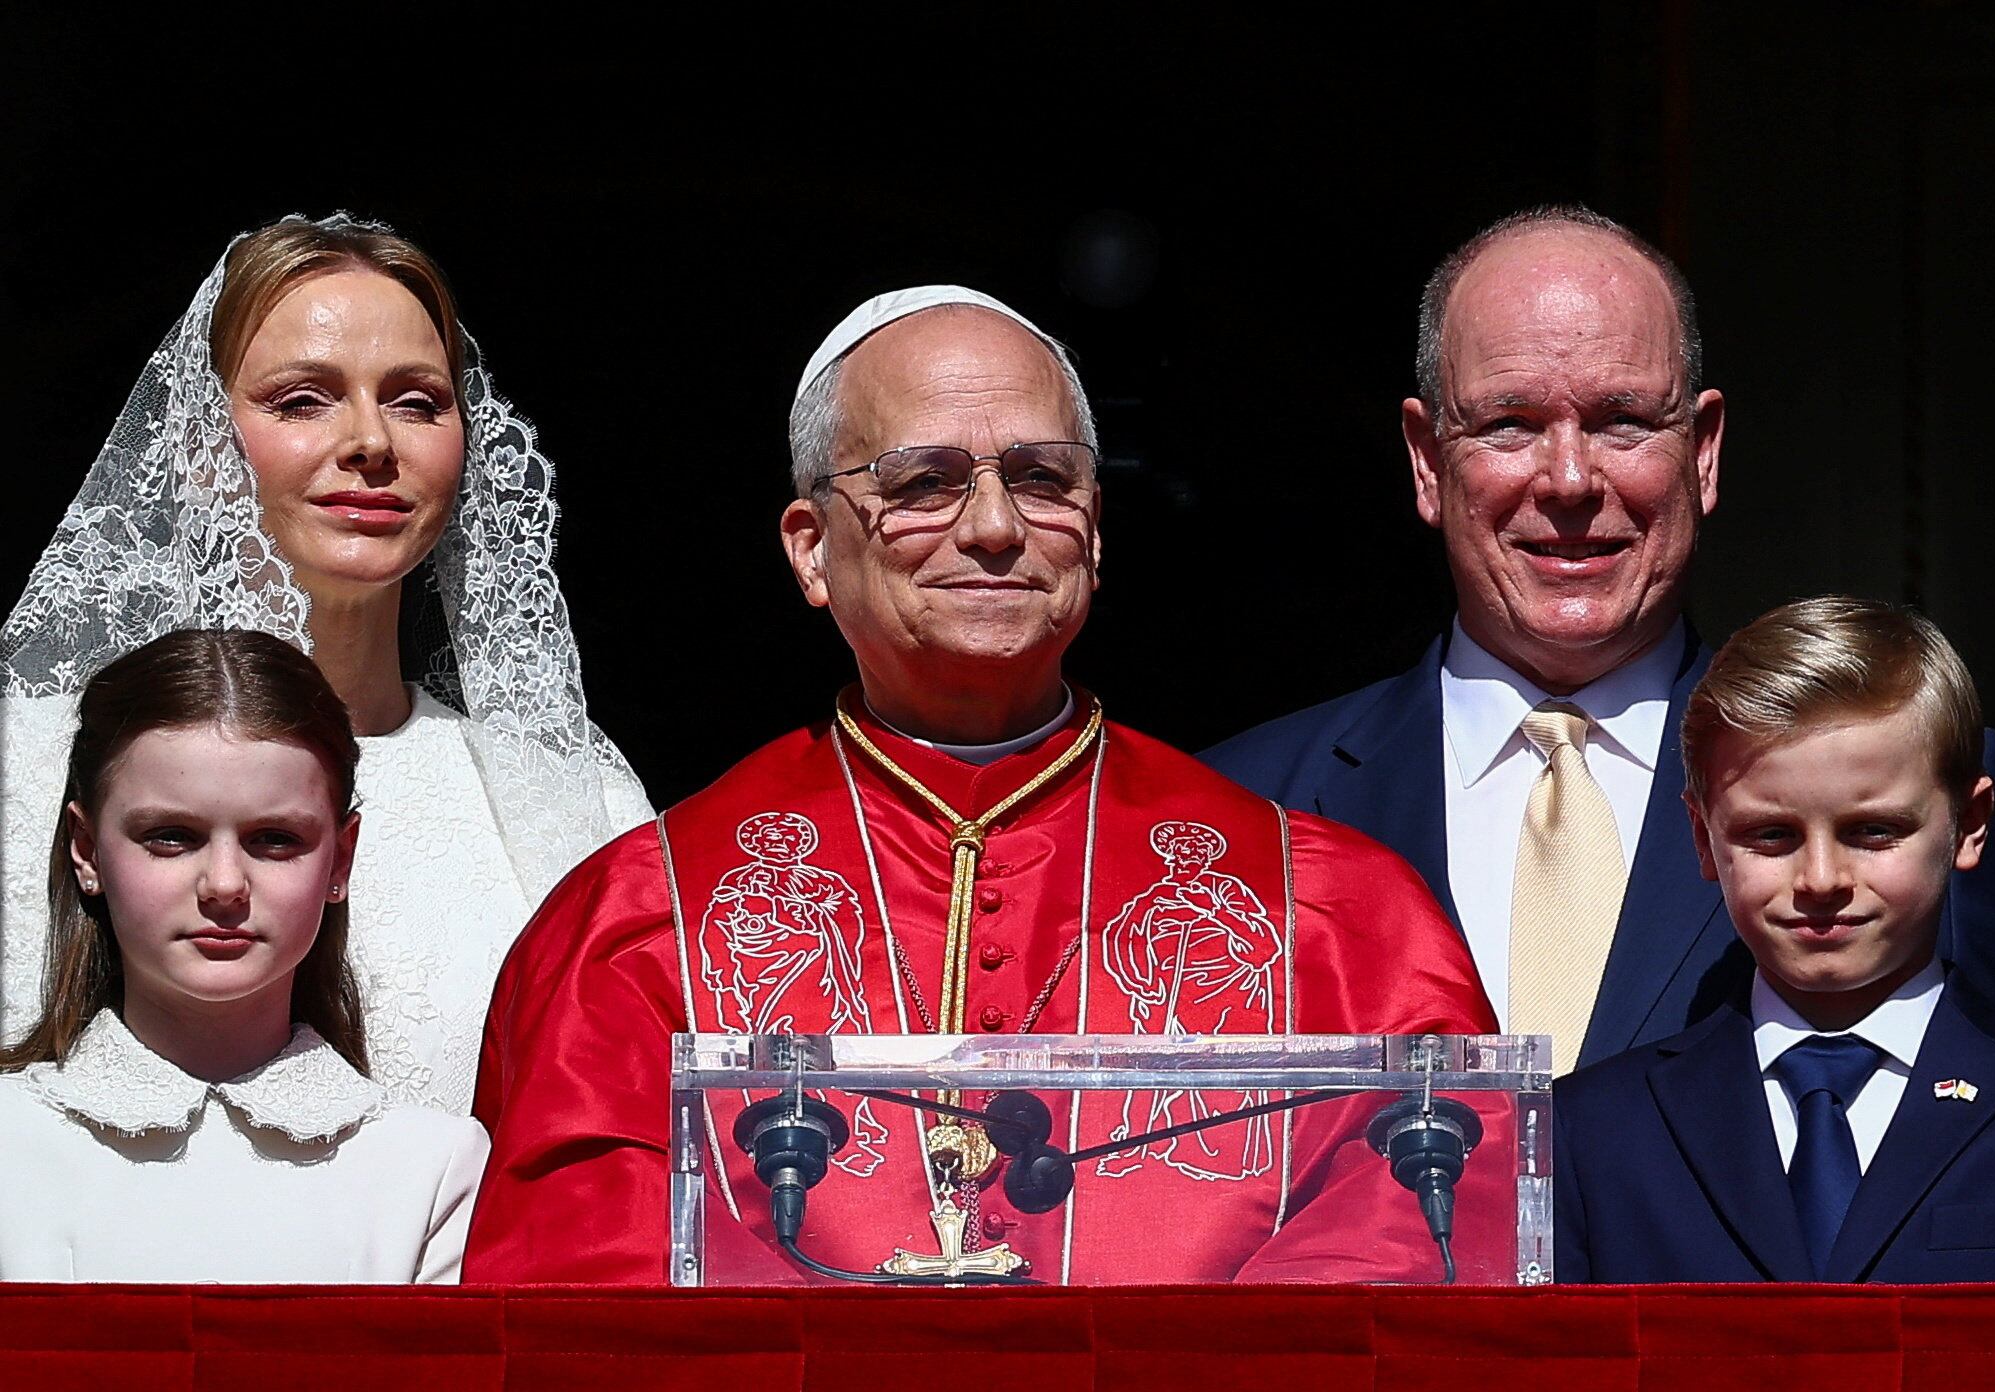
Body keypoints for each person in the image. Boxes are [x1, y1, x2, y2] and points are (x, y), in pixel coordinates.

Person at [464, 286, 1498, 1286]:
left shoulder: (1335, 914)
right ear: (811, 550)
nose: (996, 527)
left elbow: (1425, 1216)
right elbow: (582, 1271)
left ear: (1095, 529)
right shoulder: (643, 920)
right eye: (925, 483)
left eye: (1044, 478)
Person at [1202, 205, 1995, 1071]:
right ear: (1427, 461)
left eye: (1623, 421)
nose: (1570, 480)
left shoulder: (1916, 787)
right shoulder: (1238, 810)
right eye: (1509, 424)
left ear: (1703, 453)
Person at [0, 215, 652, 1114]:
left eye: (416, 401)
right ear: (198, 446)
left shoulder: (570, 803)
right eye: (303, 400)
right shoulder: (27, 768)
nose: (372, 442)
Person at [1554, 597, 1995, 1281]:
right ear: (1703, 837)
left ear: (1970, 823)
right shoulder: (1592, 1131)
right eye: (1771, 835)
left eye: (1874, 831)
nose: (1822, 879)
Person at [0, 629, 487, 1283]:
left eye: (275, 839)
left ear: (340, 859)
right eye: (171, 836)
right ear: (86, 850)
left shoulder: (429, 1170)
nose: (225, 884)